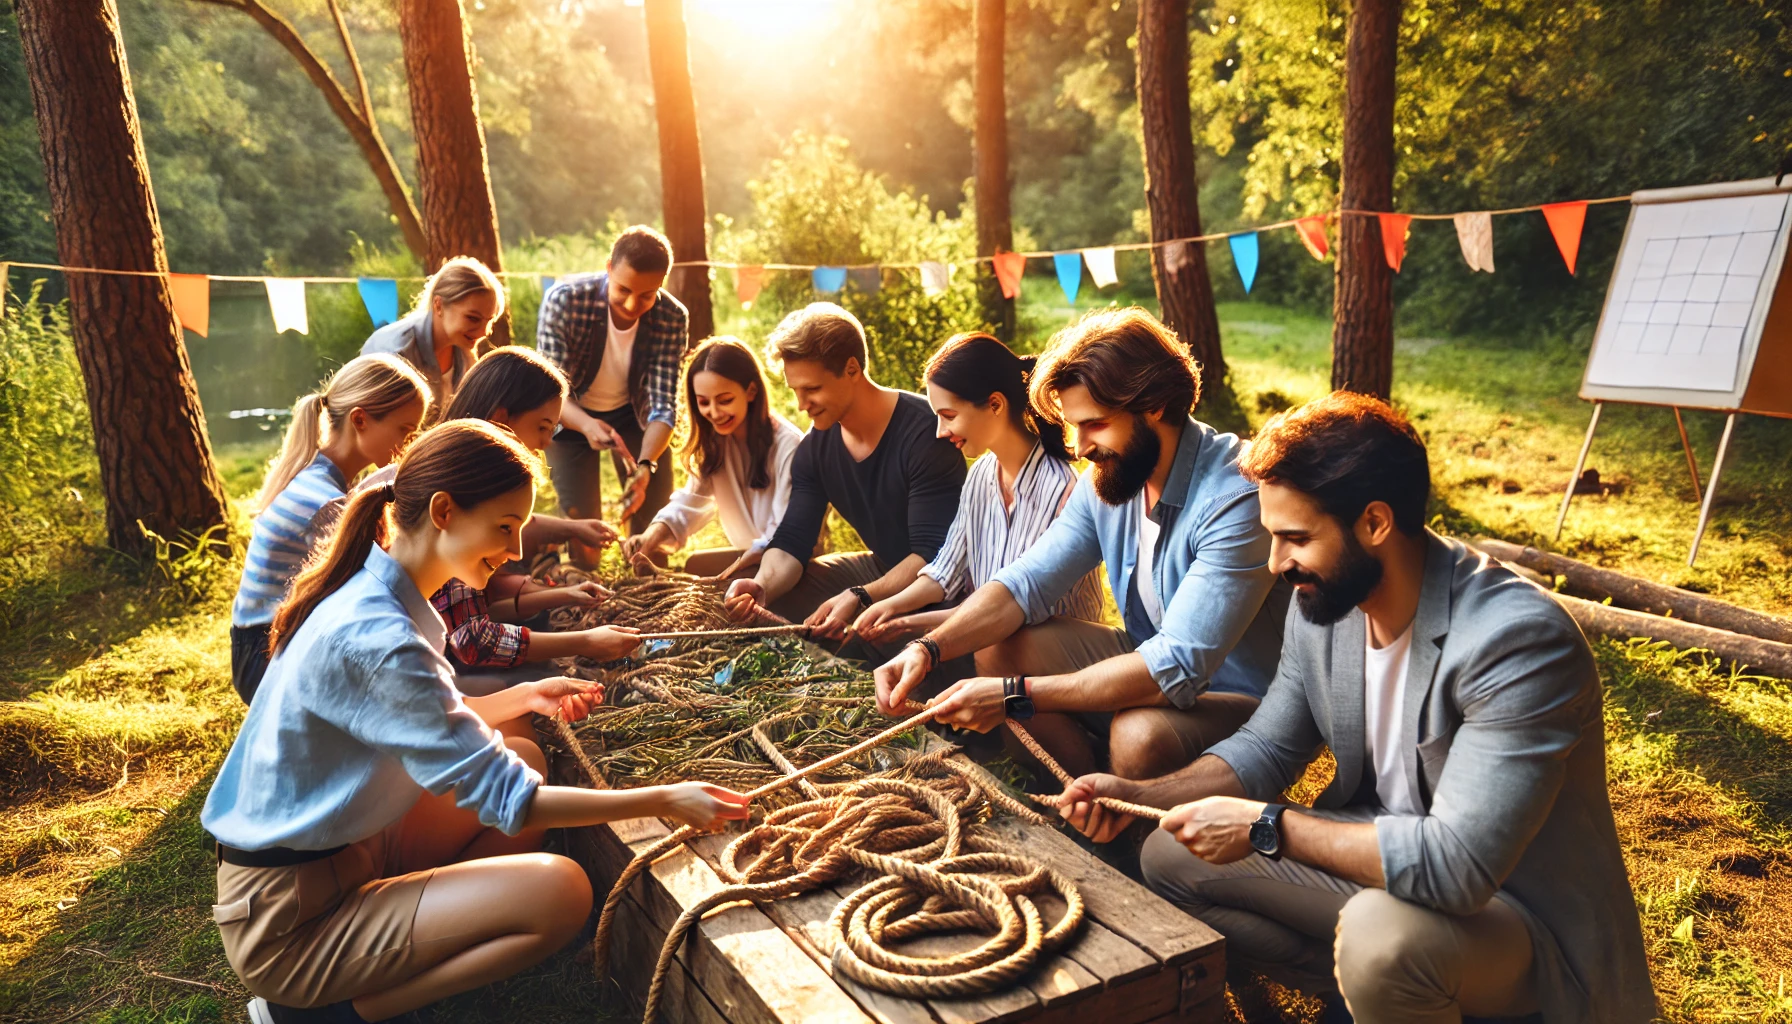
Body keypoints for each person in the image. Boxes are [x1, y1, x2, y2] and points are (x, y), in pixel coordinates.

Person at [1055, 392, 1655, 1024]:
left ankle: (1394, 980)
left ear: (1374, 523)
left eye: (1295, 538)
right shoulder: (1330, 603)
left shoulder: (1518, 641)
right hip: (1385, 882)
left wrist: (1267, 826)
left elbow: (1458, 868)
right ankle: (1366, 989)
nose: (1275, 563)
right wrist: (1140, 793)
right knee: (1169, 857)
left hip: (1514, 923)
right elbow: (1266, 747)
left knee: (1380, 937)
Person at [204, 420, 751, 1024]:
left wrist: (523, 698)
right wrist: (666, 798)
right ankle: (325, 1015)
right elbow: (509, 800)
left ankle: (419, 919)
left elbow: (419, 726)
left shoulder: (373, 588)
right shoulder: (381, 637)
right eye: (505, 527)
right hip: (291, 922)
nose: (516, 550)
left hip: (342, 854)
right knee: (561, 893)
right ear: (443, 511)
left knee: (525, 754)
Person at [876, 308, 1286, 782]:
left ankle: (1128, 822)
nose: (1080, 446)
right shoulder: (1111, 478)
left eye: (1094, 424)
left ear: (1153, 405)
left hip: (1239, 699)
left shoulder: (1233, 498)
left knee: (1139, 734)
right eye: (1073, 426)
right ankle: (1082, 798)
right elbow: (1024, 583)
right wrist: (927, 648)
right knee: (1000, 646)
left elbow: (1175, 667)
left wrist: (1014, 695)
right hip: (1148, 655)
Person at [723, 303, 966, 647]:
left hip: (944, 584)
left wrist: (861, 596)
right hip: (880, 571)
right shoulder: (814, 450)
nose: (801, 404)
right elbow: (793, 539)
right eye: (795, 391)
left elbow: (934, 555)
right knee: (775, 586)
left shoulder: (926, 433)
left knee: (895, 633)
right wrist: (762, 586)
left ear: (852, 369)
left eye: (812, 389)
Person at [852, 332, 1103, 648]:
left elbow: (1011, 613)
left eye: (949, 416)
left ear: (995, 404)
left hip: (1049, 652)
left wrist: (909, 624)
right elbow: (945, 572)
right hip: (995, 637)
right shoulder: (982, 476)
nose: (941, 432)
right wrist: (890, 606)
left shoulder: (1060, 491)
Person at [423, 349, 644, 681]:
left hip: (447, 649)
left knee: (534, 640)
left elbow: (475, 604)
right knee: (526, 680)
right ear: (501, 420)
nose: (543, 444)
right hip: (435, 665)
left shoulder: (463, 475)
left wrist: (563, 594)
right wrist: (584, 642)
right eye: (542, 428)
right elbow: (472, 638)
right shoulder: (461, 488)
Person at [231, 354, 430, 705]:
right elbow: (378, 585)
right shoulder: (324, 500)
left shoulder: (319, 474)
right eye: (404, 430)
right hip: (265, 658)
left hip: (260, 644)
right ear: (360, 420)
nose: (410, 443)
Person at [538, 226, 687, 539]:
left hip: (633, 415)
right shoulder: (565, 301)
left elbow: (663, 402)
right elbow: (551, 390)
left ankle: (644, 569)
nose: (633, 305)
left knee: (652, 528)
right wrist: (588, 425)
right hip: (570, 415)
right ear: (608, 267)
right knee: (584, 533)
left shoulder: (672, 317)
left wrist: (647, 464)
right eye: (623, 290)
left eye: (647, 295)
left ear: (662, 283)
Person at [620, 337, 803, 579]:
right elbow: (690, 503)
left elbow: (783, 533)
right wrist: (650, 535)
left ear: (751, 391)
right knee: (696, 565)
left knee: (701, 571)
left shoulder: (789, 445)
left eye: (725, 401)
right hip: (748, 561)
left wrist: (733, 571)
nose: (714, 413)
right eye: (704, 403)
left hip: (788, 563)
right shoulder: (715, 443)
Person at [360, 256, 504, 417]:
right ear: (438, 305)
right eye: (473, 318)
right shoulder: (397, 353)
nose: (484, 332)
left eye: (490, 321)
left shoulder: (463, 348)